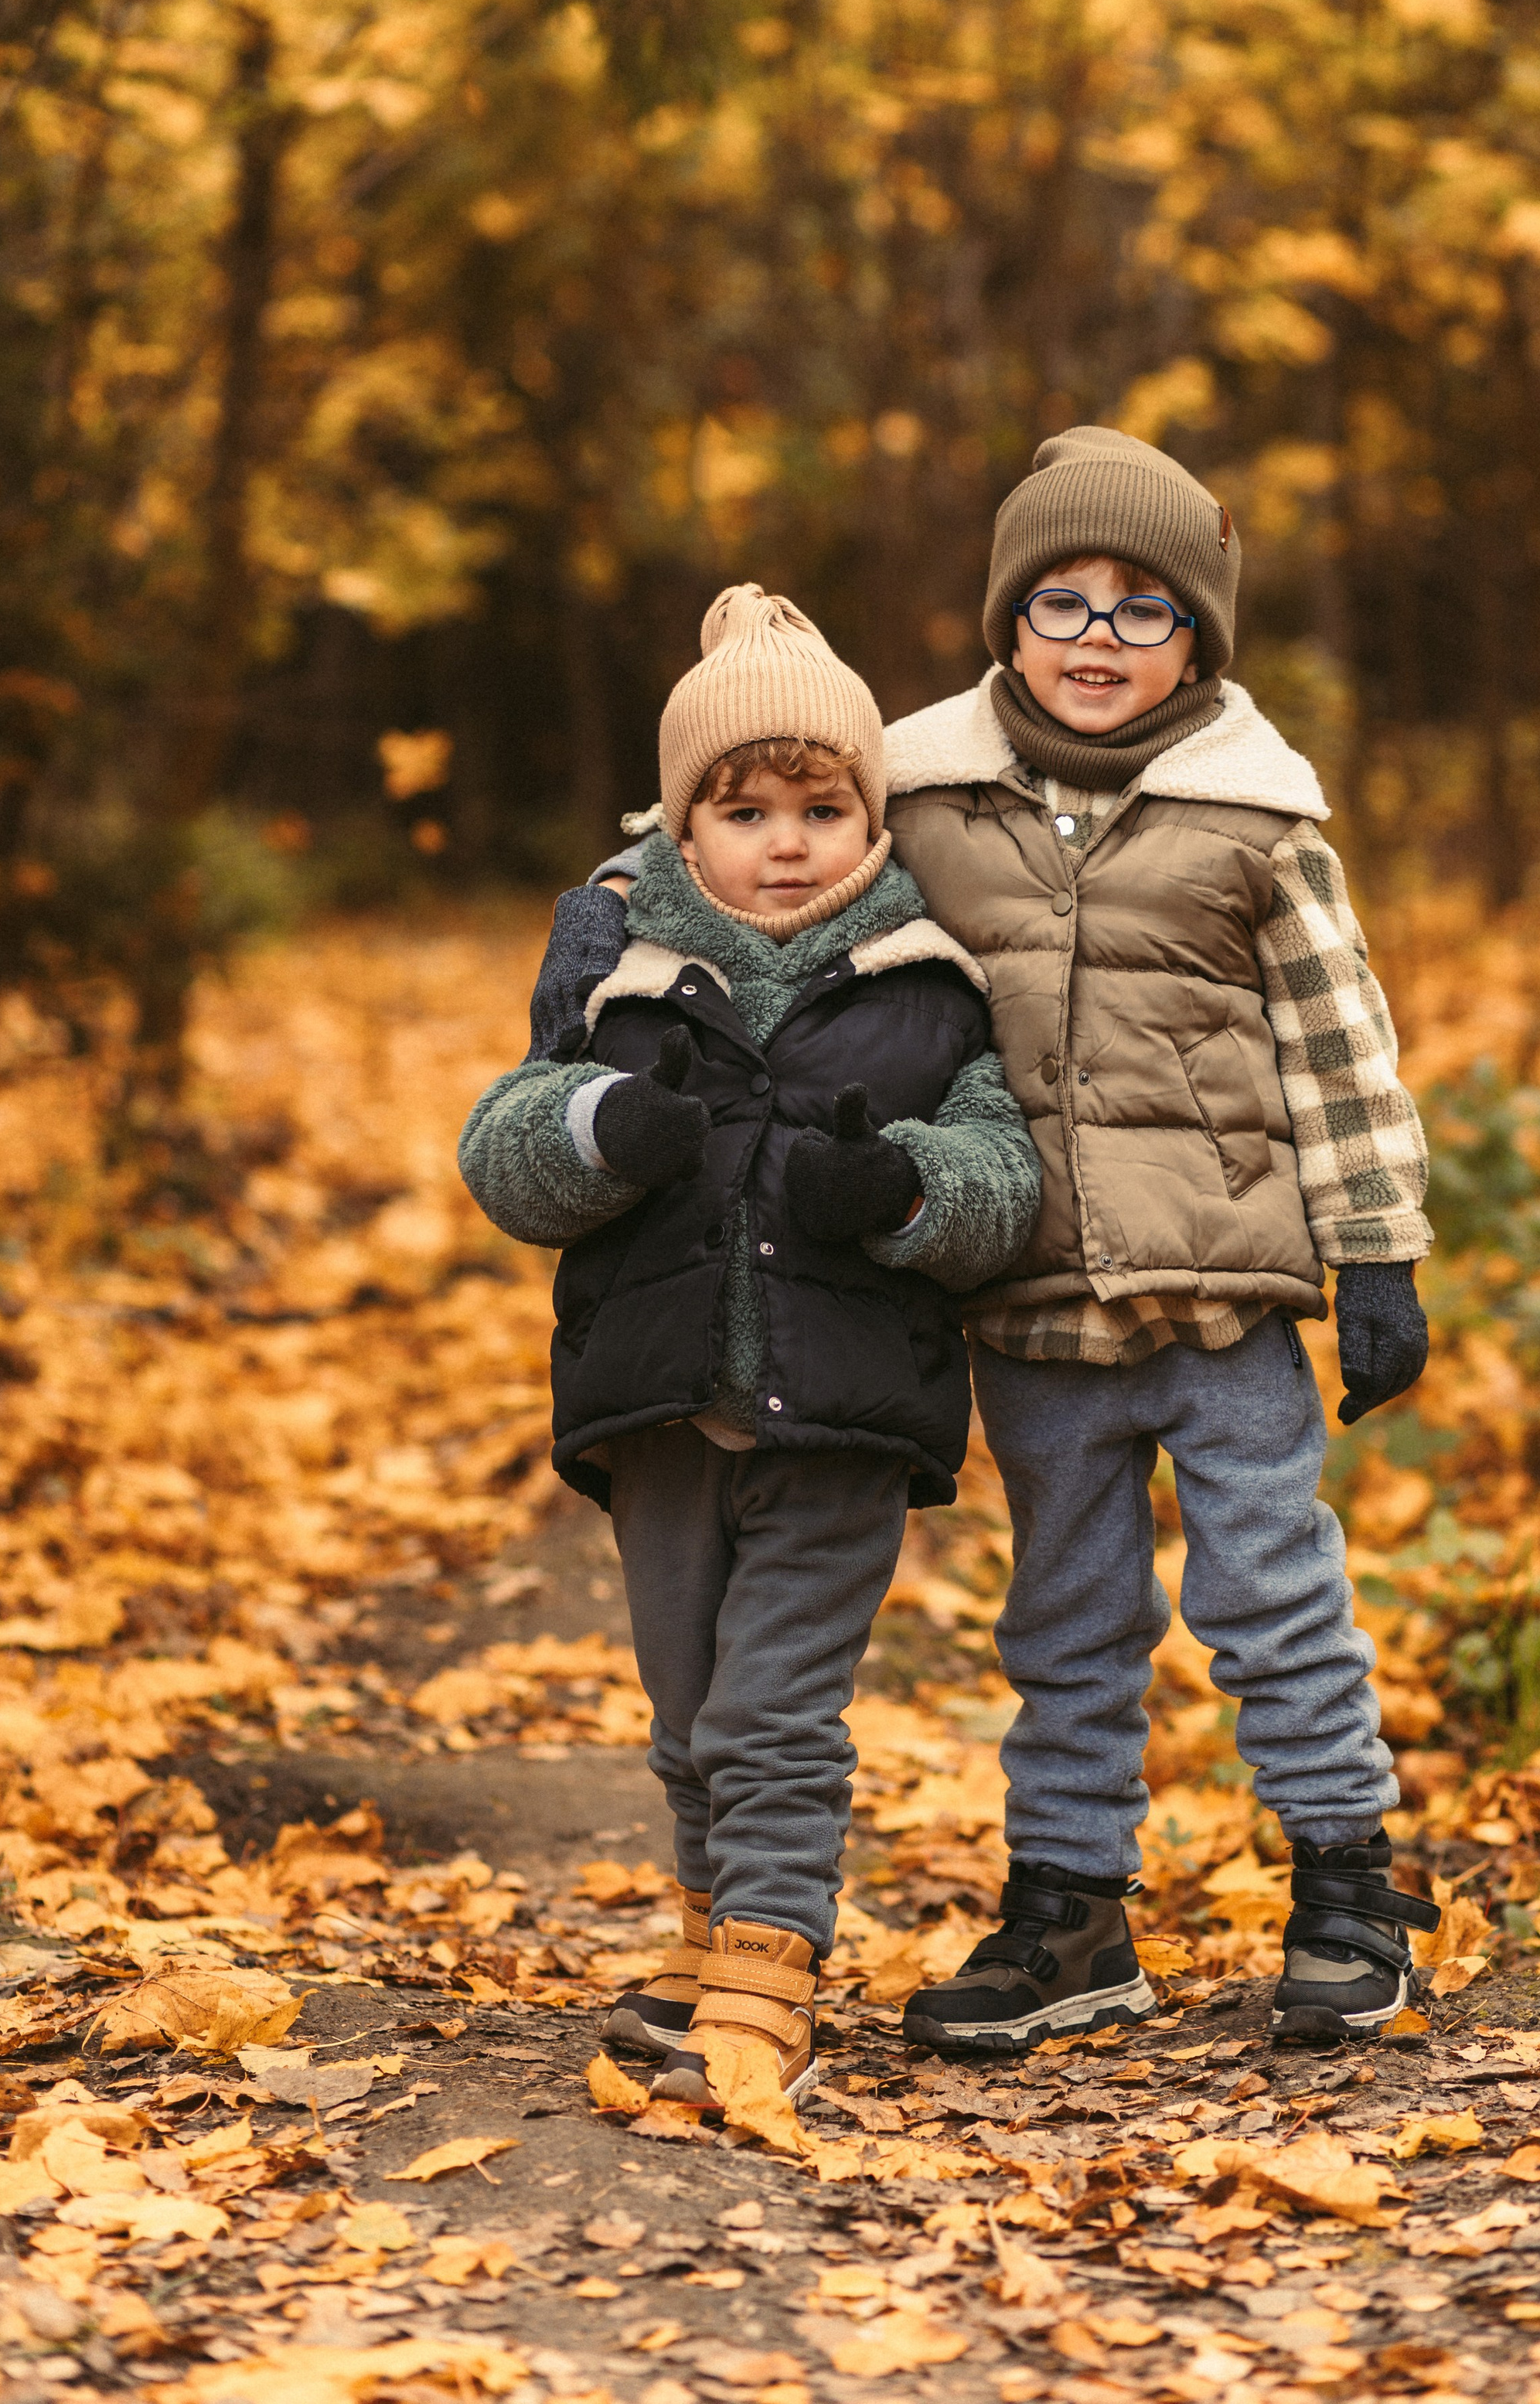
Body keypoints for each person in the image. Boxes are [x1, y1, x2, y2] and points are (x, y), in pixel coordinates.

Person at [879, 426, 1439, 2048]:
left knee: (1271, 1600)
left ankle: (1348, 1887)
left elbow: (1341, 1052)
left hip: (1223, 1305)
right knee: (1064, 1618)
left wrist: (1377, 1251)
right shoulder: (924, 802)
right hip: (1028, 1308)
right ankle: (1069, 1914)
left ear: (1197, 634)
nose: (1098, 641)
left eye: (1143, 609)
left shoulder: (1252, 820)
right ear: (1005, 620)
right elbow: (815, 938)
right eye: (1061, 602)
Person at [459, 585, 1041, 2105]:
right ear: (678, 828)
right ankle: (709, 1923)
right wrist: (601, 1125)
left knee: (770, 1705)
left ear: (870, 816)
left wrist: (903, 1187)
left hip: (838, 1410)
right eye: (743, 808)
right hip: (659, 1406)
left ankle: (771, 1962)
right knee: (683, 1703)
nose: (783, 838)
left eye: (820, 804)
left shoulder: (927, 983)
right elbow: (501, 1145)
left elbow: (1003, 1176)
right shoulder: (621, 984)